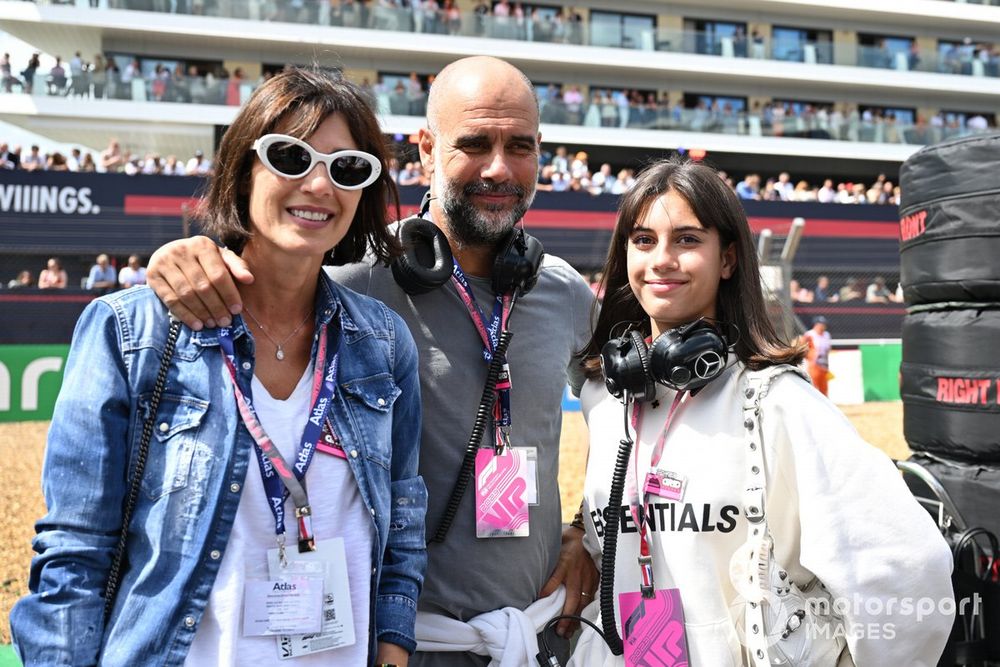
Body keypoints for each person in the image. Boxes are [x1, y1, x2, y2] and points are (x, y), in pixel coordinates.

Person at [145, 55, 597, 666]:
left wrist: (587, 529)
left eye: (521, 146)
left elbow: (633, 421)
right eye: (475, 144)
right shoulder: (353, 292)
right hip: (397, 643)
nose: (499, 167)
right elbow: (264, 272)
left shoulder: (566, 293)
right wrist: (189, 256)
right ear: (426, 150)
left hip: (534, 639)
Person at [11, 67, 427, 667]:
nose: (319, 184)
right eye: (290, 156)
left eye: (347, 167)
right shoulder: (134, 330)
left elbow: (401, 533)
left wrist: (391, 652)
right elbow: (75, 553)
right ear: (242, 167)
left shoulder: (384, 343)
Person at [570, 158, 953, 665]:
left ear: (727, 259)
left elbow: (909, 567)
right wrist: (578, 533)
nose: (661, 259)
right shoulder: (605, 399)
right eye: (643, 241)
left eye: (686, 240)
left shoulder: (780, 403)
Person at [803, 315, 832, 396]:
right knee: (814, 386)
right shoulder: (809, 334)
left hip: (824, 364)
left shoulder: (826, 334)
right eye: (822, 324)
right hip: (813, 364)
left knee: (824, 387)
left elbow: (828, 348)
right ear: (816, 324)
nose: (824, 326)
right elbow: (803, 348)